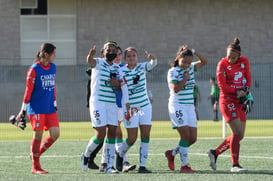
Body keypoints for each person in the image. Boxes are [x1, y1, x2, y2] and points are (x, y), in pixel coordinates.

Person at [80, 41, 130, 174]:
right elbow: (90, 61)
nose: (111, 52)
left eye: (114, 50)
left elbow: (121, 87)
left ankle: (108, 166)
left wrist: (117, 84)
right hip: (98, 103)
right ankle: (86, 155)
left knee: (112, 132)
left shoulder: (117, 68)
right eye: (109, 50)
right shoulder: (98, 62)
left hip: (111, 103)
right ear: (103, 53)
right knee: (100, 133)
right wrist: (90, 56)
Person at [207, 37, 251, 172]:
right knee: (236, 133)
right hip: (227, 101)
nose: (230, 60)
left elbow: (248, 78)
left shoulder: (244, 61)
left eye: (234, 57)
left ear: (239, 55)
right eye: (228, 57)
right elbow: (223, 86)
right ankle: (235, 165)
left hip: (240, 101)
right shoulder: (222, 64)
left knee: (240, 136)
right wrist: (238, 91)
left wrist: (247, 91)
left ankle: (214, 153)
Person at [15, 43, 59, 174]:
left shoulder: (53, 67)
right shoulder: (34, 70)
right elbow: (28, 91)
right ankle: (35, 166)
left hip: (50, 108)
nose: (55, 56)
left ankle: (35, 154)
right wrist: (23, 110)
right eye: (53, 54)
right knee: (38, 136)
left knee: (55, 134)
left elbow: (53, 86)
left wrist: (55, 102)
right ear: (46, 54)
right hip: (37, 109)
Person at [165, 45, 208, 173]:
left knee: (192, 138)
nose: (187, 65)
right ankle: (185, 166)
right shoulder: (172, 71)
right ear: (178, 58)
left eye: (189, 62)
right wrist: (185, 78)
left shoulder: (191, 67)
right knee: (185, 135)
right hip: (177, 105)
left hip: (190, 106)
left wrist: (194, 51)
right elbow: (175, 89)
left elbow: (205, 62)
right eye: (184, 61)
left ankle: (172, 153)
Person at [115, 47, 157, 173]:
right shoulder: (120, 70)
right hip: (130, 108)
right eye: (128, 56)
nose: (131, 58)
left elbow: (153, 64)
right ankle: (120, 154)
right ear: (125, 58)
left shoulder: (142, 67)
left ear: (137, 57)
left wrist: (153, 58)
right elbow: (121, 87)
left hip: (144, 106)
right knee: (132, 139)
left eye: (133, 55)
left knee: (145, 135)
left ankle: (142, 166)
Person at [99, 46, 136, 172]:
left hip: (124, 106)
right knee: (116, 133)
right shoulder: (106, 67)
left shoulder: (123, 69)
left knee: (112, 134)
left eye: (120, 54)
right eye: (117, 54)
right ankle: (123, 161)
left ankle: (104, 162)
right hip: (111, 105)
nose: (118, 56)